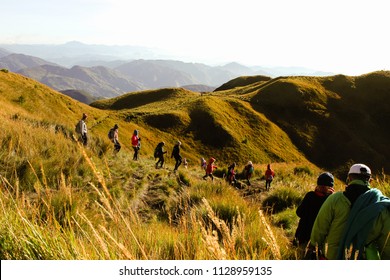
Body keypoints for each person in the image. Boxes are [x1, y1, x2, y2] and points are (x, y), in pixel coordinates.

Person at [310, 163, 390, 260]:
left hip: (332, 256)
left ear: (349, 178)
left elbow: (320, 226)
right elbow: (386, 244)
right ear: (370, 180)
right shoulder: (380, 205)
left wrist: (314, 247)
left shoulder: (335, 199)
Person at [294, 172, 335, 248]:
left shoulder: (310, 195)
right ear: (330, 188)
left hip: (301, 235)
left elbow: (299, 212)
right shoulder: (331, 200)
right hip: (318, 240)